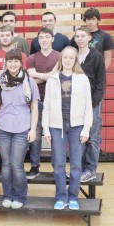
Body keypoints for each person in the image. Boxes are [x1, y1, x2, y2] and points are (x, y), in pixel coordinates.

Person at [42, 46, 93, 210]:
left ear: (75, 60)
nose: (68, 60)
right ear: (61, 59)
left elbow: (88, 106)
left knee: (76, 164)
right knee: (59, 164)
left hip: (77, 126)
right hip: (57, 126)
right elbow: (47, 106)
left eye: (72, 57)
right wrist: (46, 128)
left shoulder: (82, 79)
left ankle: (73, 197)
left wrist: (86, 128)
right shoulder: (53, 79)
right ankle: (61, 196)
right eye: (65, 57)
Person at [0, 49, 39, 209]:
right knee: (5, 164)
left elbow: (34, 107)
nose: (12, 64)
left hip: (22, 128)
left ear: (21, 63)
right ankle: (7, 195)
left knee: (16, 164)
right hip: (3, 127)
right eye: (9, 61)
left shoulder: (29, 81)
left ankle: (19, 196)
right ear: (6, 63)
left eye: (15, 61)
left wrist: (33, 130)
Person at [0, 25, 27, 175]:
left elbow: (22, 74)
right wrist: (10, 72)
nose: (5, 37)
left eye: (7, 35)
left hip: (19, 100)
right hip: (0, 98)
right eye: (2, 35)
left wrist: (1, 72)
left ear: (13, 36)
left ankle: (17, 166)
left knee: (19, 134)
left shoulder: (22, 55)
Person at [26, 27, 60, 179]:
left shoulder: (60, 57)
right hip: (37, 100)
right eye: (41, 37)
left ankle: (57, 168)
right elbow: (30, 80)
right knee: (36, 134)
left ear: (52, 39)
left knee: (56, 135)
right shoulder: (32, 58)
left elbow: (58, 77)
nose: (44, 40)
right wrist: (49, 76)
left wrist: (40, 76)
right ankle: (34, 167)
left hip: (56, 101)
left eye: (47, 37)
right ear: (38, 40)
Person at [74, 27, 106, 182]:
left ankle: (90, 170)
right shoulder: (72, 56)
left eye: (83, 36)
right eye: (77, 36)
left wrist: (95, 100)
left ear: (89, 38)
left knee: (92, 137)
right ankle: (78, 170)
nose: (80, 38)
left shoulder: (97, 56)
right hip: (75, 104)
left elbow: (101, 81)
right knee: (79, 137)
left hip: (92, 102)